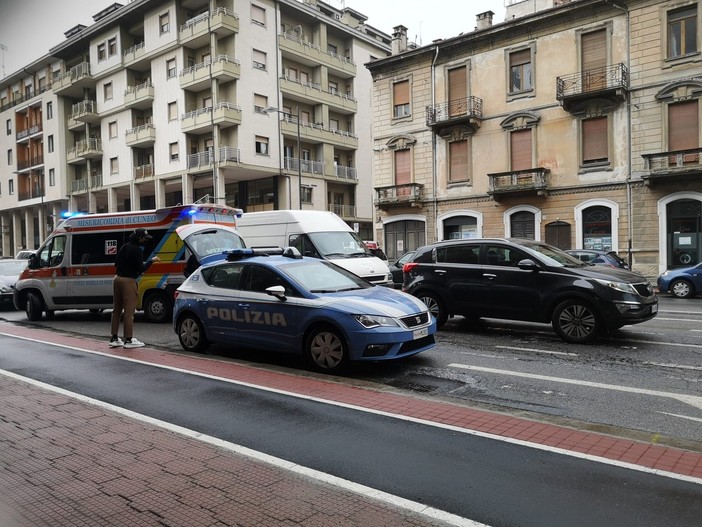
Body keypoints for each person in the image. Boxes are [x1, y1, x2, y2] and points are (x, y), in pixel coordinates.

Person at [109, 228, 160, 348]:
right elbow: (141, 269)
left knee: (116, 310)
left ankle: (114, 338)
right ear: (139, 238)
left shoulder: (124, 247)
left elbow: (116, 264)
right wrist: (152, 261)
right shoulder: (137, 250)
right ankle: (128, 340)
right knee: (129, 311)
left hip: (117, 279)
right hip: (128, 281)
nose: (145, 241)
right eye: (144, 239)